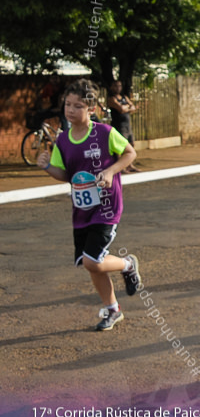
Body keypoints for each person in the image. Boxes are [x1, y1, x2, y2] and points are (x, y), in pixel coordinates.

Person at [37, 79, 140, 331]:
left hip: (106, 208)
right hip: (81, 211)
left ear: (91, 109)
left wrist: (109, 171)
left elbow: (130, 153)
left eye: (78, 106)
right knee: (90, 264)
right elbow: (65, 175)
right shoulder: (62, 141)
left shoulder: (104, 133)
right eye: (67, 105)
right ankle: (113, 310)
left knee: (92, 260)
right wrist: (48, 167)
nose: (70, 110)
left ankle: (128, 264)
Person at [106, 80, 139, 172]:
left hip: (127, 125)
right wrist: (127, 107)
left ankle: (129, 165)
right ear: (112, 87)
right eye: (116, 86)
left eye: (119, 86)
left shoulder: (124, 97)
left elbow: (133, 107)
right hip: (119, 125)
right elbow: (121, 109)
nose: (118, 88)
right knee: (120, 147)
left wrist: (126, 108)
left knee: (131, 144)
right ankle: (121, 167)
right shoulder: (111, 99)